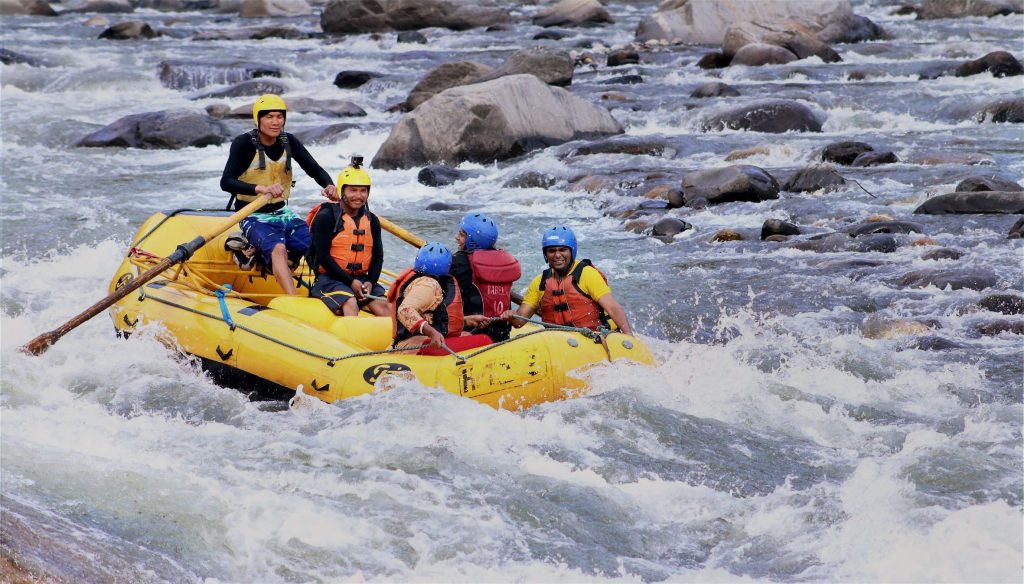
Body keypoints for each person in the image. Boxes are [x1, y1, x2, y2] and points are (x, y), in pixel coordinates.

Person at [220, 94, 338, 295]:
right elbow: (226, 182)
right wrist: (261, 189)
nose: (275, 122)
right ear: (259, 119)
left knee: (318, 244)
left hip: (282, 212)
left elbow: (314, 169)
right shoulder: (244, 143)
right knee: (278, 249)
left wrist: (329, 185)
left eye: (279, 117)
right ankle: (291, 299)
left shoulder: (288, 141)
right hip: (251, 214)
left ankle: (330, 290)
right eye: (269, 117)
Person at [501, 225, 634, 336]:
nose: (557, 255)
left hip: (594, 337)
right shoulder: (539, 282)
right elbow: (519, 322)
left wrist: (629, 336)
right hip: (560, 342)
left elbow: (613, 308)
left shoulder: (587, 274)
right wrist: (511, 316)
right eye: (552, 251)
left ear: (572, 251)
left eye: (563, 250)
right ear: (545, 255)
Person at [306, 158, 390, 317]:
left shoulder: (372, 221)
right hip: (329, 279)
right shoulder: (326, 217)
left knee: (386, 308)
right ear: (342, 191)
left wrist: (370, 282)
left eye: (363, 190)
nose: (359, 196)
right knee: (350, 303)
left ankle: (398, 341)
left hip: (362, 278)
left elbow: (378, 257)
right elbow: (323, 257)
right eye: (353, 190)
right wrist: (351, 282)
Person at [388, 242, 491, 354]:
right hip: (411, 344)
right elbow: (404, 310)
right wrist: (432, 333)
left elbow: (432, 316)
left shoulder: (427, 280)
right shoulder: (428, 285)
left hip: (417, 340)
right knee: (484, 341)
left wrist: (467, 320)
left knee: (466, 335)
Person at [451, 213, 521, 342]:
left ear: (472, 240)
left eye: (461, 234)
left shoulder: (459, 261)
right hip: (501, 335)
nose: (456, 237)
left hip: (471, 334)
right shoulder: (505, 262)